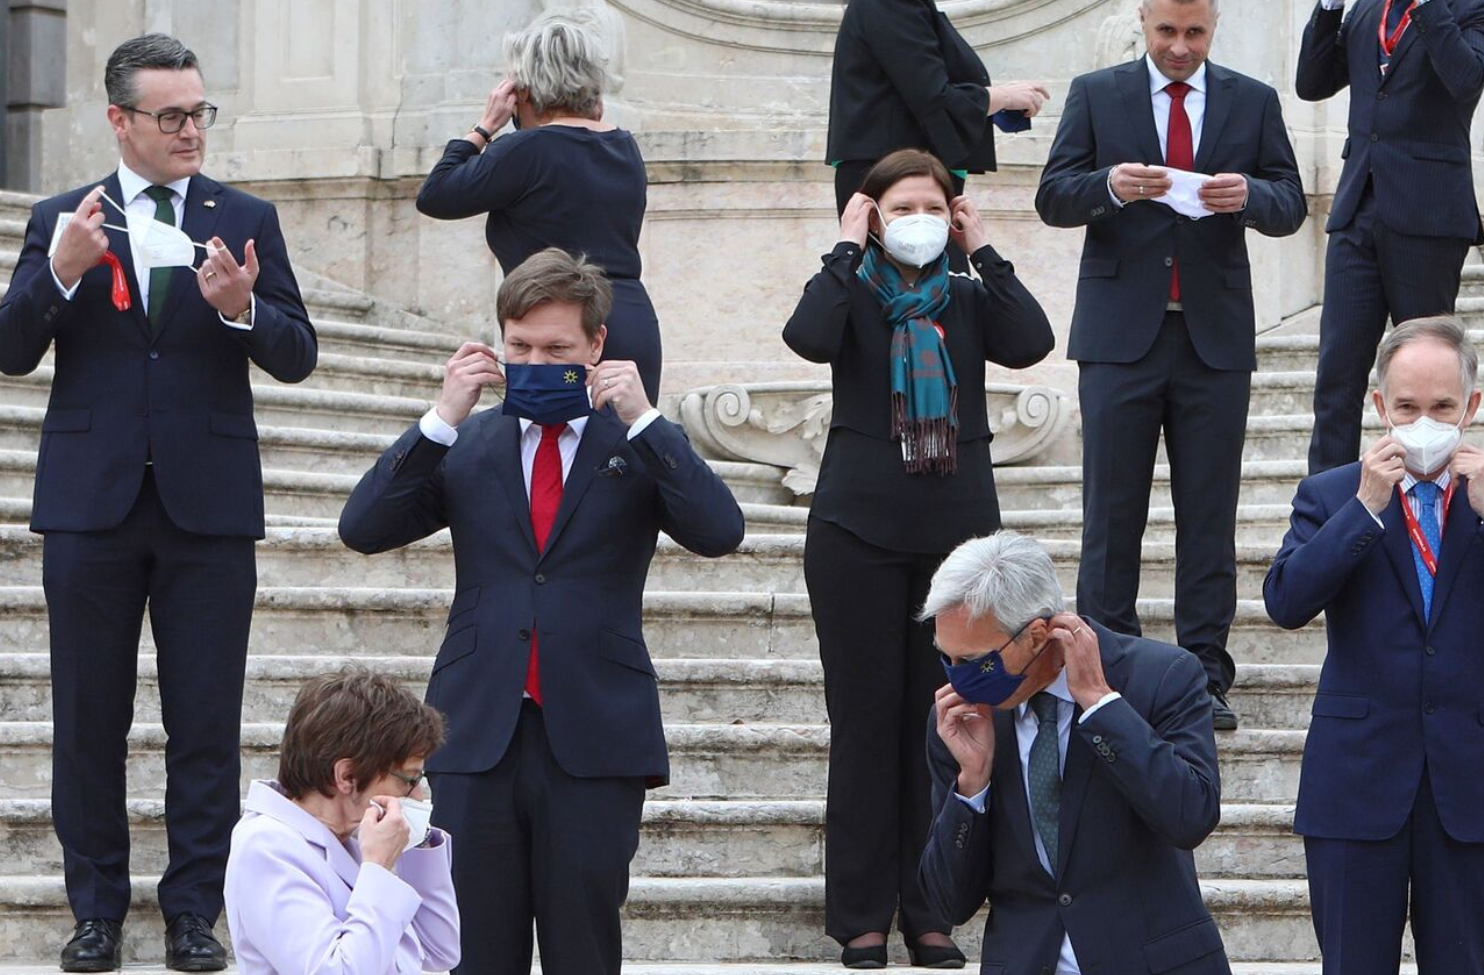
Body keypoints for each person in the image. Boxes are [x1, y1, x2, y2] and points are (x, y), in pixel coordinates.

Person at [0, 32, 319, 972]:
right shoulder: (66, 217)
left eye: (199, 112)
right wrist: (58, 271)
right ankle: (95, 909)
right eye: (172, 115)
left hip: (208, 508)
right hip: (90, 504)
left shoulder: (244, 216)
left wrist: (241, 308)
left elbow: (297, 353)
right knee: (86, 720)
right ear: (121, 121)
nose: (191, 130)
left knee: (205, 722)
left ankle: (193, 912)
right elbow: (11, 349)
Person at [337, 248, 747, 974]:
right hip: (475, 727)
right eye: (519, 346)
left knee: (583, 947)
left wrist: (647, 417)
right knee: (473, 947)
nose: (535, 360)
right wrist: (440, 415)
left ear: (596, 346)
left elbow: (720, 530)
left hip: (596, 732)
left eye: (556, 348)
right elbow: (363, 527)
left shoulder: (637, 441)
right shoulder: (468, 441)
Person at [784, 147, 1055, 969]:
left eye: (933, 207)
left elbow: (1033, 339)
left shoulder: (968, 300)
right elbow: (806, 334)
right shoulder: (853, 294)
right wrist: (842, 247)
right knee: (865, 727)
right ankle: (862, 915)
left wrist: (986, 250)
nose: (918, 222)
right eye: (901, 207)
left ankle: (932, 909)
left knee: (944, 725)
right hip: (856, 535)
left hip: (959, 545)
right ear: (872, 215)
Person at [1262, 317, 1484, 974]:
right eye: (1407, 406)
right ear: (1380, 405)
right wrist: (1365, 506)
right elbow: (1286, 599)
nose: (1423, 421)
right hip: (1356, 781)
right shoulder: (1331, 495)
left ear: (1470, 407)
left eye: (1441, 406)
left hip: (1468, 781)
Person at [1035, 0, 1306, 731]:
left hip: (1213, 339)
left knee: (1209, 516)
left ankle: (1204, 676)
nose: (1180, 48)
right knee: (1111, 515)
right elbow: (1053, 196)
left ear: (1213, 28)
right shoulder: (1099, 94)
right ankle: (1105, 667)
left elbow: (1291, 202)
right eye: (1167, 33)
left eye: (1194, 34)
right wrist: (1111, 188)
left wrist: (1250, 195)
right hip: (1120, 337)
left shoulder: (1252, 100)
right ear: (1144, 25)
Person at [918, 531, 1228, 975]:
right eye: (948, 660)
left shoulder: (1161, 677)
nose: (959, 679)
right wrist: (972, 785)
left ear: (1037, 634)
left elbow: (1191, 816)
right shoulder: (961, 723)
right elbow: (949, 901)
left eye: (976, 663)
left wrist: (1102, 706)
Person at [1293, 0, 1484, 473]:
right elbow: (1312, 82)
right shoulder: (1369, 9)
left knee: (1430, 378)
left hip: (1427, 215)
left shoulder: (1480, 8)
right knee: (1336, 379)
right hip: (1357, 208)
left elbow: (1465, 78)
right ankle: (1325, 515)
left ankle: (1428, 512)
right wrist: (1328, 7)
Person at [415, 13, 668, 402]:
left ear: (526, 91)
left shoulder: (526, 150)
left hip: (556, 339)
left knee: (553, 455)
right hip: (628, 329)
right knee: (620, 453)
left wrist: (484, 127)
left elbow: (436, 195)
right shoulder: (624, 147)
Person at [224, 669, 462, 974]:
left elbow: (439, 950)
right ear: (347, 776)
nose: (417, 796)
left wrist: (418, 842)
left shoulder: (356, 832)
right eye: (408, 780)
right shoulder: (267, 846)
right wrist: (377, 868)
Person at [826, 0, 1047, 211]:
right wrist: (1003, 96)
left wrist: (997, 96)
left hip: (907, 177)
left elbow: (920, 85)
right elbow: (933, 98)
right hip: (895, 179)